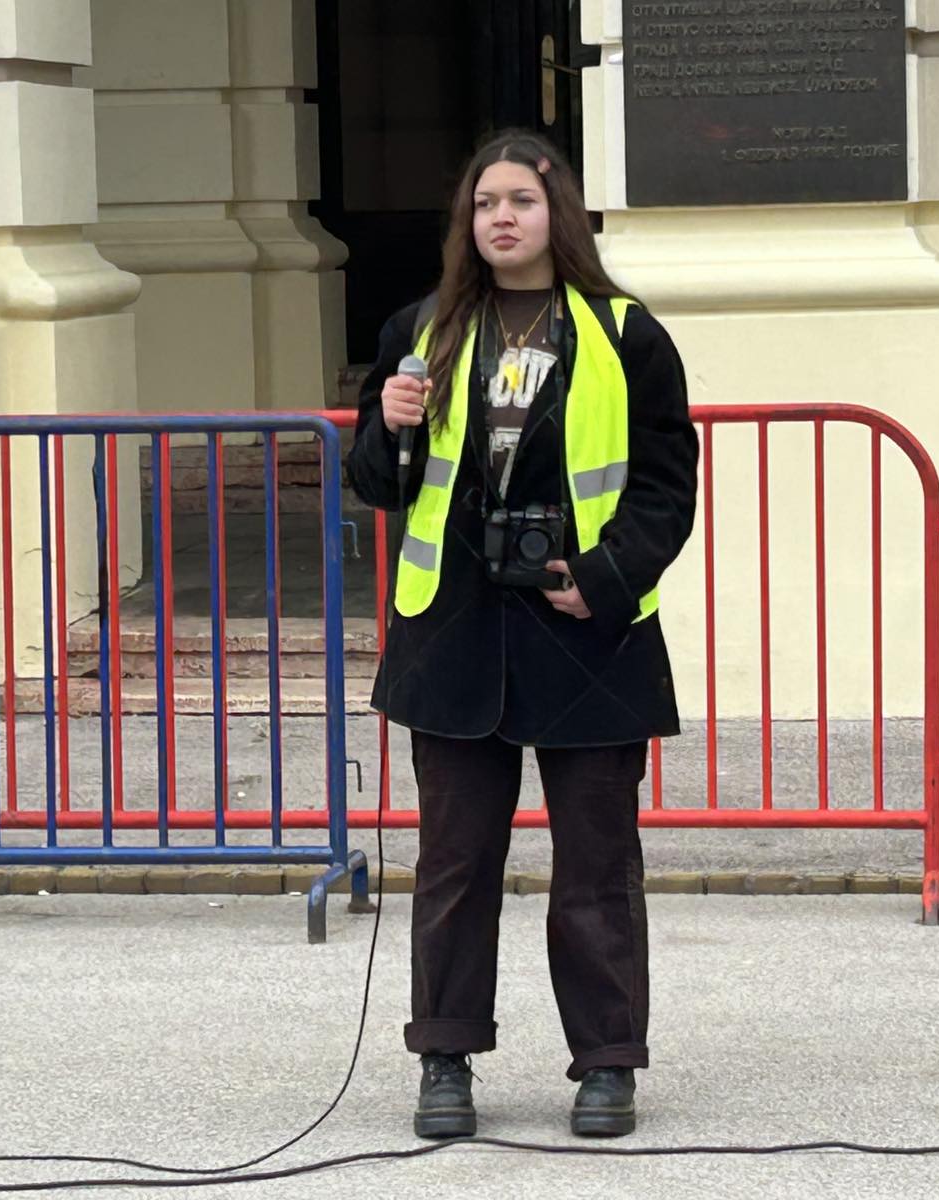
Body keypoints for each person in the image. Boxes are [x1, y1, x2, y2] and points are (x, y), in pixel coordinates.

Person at [346, 130, 699, 1140]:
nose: (501, 216)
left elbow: (666, 486)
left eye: (522, 201)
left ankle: (605, 1065)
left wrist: (605, 578)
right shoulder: (423, 330)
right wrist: (389, 423)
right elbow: (377, 484)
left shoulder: (624, 334)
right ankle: (445, 1059)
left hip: (589, 638)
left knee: (596, 864)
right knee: (456, 864)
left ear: (559, 216)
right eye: (484, 203)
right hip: (453, 637)